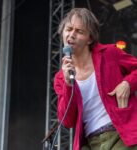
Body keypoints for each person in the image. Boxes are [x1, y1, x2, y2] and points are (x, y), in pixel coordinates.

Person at [53, 7, 137, 150]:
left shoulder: (109, 53)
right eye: (69, 29)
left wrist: (127, 83)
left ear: (90, 38)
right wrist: (68, 83)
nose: (71, 35)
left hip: (121, 134)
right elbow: (67, 121)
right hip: (92, 142)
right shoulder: (61, 77)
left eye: (79, 31)